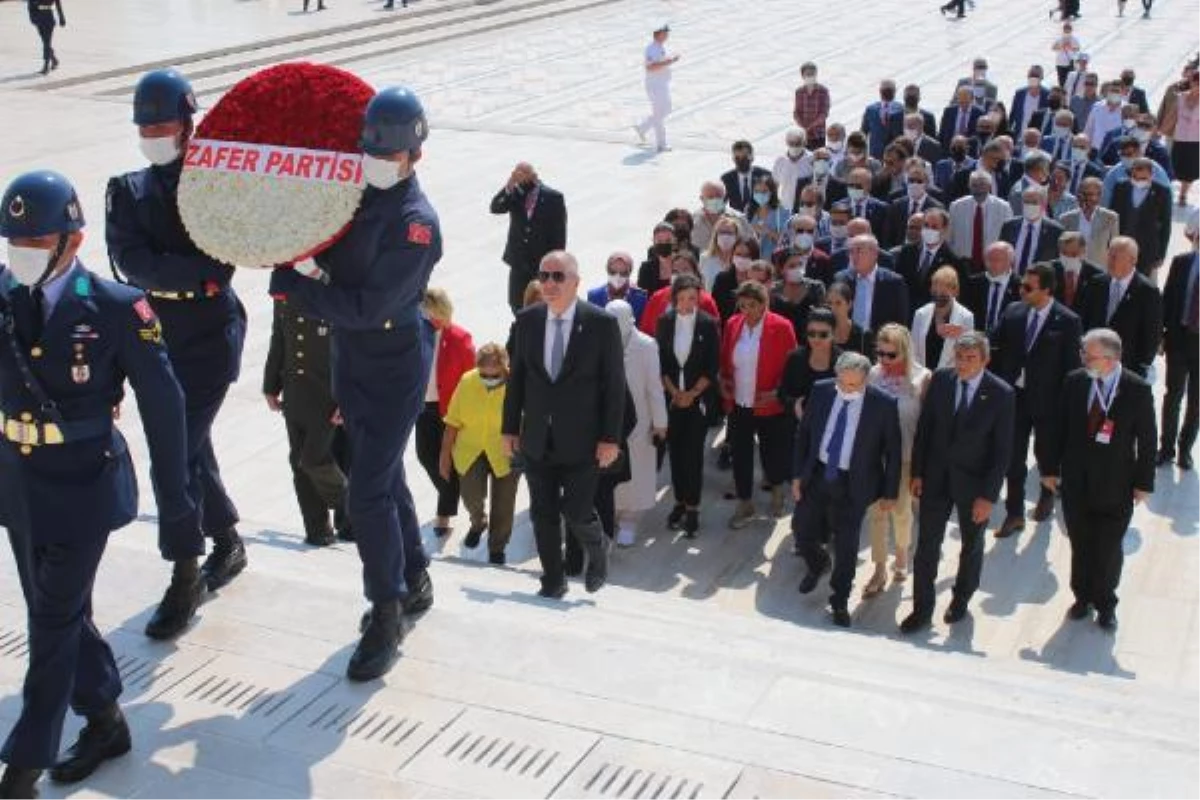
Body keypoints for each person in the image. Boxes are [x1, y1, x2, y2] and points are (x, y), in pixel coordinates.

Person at [0, 171, 197, 795]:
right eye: (12, 242)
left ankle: (24, 765)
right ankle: (108, 719)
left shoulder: (116, 307)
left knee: (52, 621)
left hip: (85, 484)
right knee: (54, 611)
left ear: (73, 239)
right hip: (18, 483)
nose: (20, 255)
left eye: (34, 243)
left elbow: (166, 411)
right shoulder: (4, 296)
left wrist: (178, 512)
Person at [268, 85, 440, 682]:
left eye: (385, 155)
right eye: (369, 151)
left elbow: (369, 305)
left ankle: (386, 609)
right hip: (352, 359)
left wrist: (302, 288)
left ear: (413, 156)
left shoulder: (417, 225)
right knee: (383, 472)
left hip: (393, 362)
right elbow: (329, 258)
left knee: (366, 489)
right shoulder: (358, 197)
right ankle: (414, 575)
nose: (373, 163)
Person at [106, 69, 248, 640]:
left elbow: (225, 261)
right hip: (157, 343)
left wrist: (185, 276)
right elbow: (129, 263)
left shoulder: (216, 187)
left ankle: (185, 575)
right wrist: (192, 277)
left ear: (189, 126)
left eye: (164, 124)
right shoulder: (128, 189)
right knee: (190, 450)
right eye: (147, 126)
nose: (154, 133)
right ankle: (229, 540)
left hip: (210, 340)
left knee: (175, 455)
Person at [502, 250, 625, 599]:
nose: (550, 284)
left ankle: (597, 545)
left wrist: (609, 439)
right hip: (538, 437)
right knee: (542, 513)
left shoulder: (601, 324)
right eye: (544, 276)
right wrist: (509, 429)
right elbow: (518, 380)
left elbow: (614, 387)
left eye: (558, 277)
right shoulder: (527, 321)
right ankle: (552, 580)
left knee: (575, 510)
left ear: (575, 282)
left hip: (584, 440)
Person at [901, 332, 1014, 633]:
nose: (963, 364)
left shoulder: (1001, 393)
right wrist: (918, 474)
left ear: (985, 360)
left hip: (974, 485)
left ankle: (961, 598)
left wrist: (988, 497)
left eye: (970, 359)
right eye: (959, 358)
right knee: (926, 545)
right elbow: (925, 429)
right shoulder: (941, 380)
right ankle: (922, 609)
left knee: (971, 544)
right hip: (936, 478)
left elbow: (1002, 451)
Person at [1044, 329, 1156, 630]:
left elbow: (1147, 441)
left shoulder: (1137, 389)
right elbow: (1057, 426)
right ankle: (1082, 597)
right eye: (1084, 354)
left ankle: (1106, 602)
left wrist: (1144, 483)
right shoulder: (1075, 381)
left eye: (1089, 355)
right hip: (1077, 481)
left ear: (1111, 359)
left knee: (1107, 549)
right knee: (1081, 543)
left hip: (1115, 484)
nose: (1083, 360)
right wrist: (1050, 468)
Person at [793, 352, 902, 628]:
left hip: (854, 484)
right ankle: (817, 564)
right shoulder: (821, 391)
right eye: (842, 383)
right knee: (801, 529)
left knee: (846, 545)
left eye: (853, 385)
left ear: (866, 380)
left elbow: (893, 451)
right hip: (818, 475)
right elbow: (804, 434)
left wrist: (890, 493)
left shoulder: (883, 405)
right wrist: (797, 475)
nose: (846, 389)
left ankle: (839, 599)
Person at [991, 262, 1082, 539]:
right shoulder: (1013, 312)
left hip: (1048, 403)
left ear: (1046, 289)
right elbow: (996, 346)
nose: (1021, 291)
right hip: (1015, 398)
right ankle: (1015, 513)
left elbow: (1071, 369)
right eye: (1021, 285)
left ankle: (1046, 495)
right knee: (1013, 458)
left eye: (1028, 287)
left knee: (1047, 456)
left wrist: (1066, 407)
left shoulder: (1068, 321)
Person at [263, 298, 349, 547]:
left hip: (327, 394)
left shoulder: (331, 288)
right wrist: (271, 385)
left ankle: (355, 507)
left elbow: (350, 348)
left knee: (313, 459)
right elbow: (279, 338)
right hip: (295, 390)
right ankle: (317, 529)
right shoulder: (286, 293)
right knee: (299, 463)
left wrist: (346, 397)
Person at [720, 280, 797, 527]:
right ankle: (745, 503)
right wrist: (724, 382)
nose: (747, 311)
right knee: (740, 453)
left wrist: (777, 393)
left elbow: (791, 366)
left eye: (752, 305)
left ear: (764, 304)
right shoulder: (733, 324)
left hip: (768, 405)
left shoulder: (782, 327)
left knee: (772, 452)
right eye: (742, 306)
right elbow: (725, 358)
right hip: (740, 403)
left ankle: (776, 490)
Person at [864, 324, 930, 595]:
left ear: (904, 351)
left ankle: (901, 553)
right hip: (875, 457)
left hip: (905, 456)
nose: (884, 360)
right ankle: (879, 568)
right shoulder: (873, 375)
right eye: (880, 353)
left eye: (891, 355)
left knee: (902, 511)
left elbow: (928, 425)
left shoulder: (923, 377)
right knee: (876, 514)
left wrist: (921, 468)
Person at [441, 344, 519, 565]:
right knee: (470, 495)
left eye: (494, 375)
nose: (488, 378)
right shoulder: (467, 381)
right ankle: (478, 522)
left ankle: (497, 547)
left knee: (504, 504)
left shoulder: (517, 383)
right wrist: (444, 455)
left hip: (506, 451)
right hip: (470, 449)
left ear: (504, 368)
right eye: (484, 374)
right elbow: (452, 422)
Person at [657, 274, 719, 537]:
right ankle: (679, 501)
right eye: (681, 298)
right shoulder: (665, 322)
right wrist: (674, 392)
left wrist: (691, 394)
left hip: (697, 399)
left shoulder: (708, 324)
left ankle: (693, 508)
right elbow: (660, 363)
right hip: (672, 399)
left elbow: (712, 367)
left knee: (693, 455)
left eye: (692, 298)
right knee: (676, 453)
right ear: (674, 299)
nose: (686, 303)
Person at [603, 300, 668, 546]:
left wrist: (660, 421)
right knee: (610, 471)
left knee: (637, 472)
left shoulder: (646, 345)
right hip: (609, 421)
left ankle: (630, 520)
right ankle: (612, 516)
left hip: (640, 420)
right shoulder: (599, 342)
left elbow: (654, 387)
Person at [415, 288, 474, 537]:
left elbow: (472, 376)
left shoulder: (459, 337)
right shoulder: (416, 334)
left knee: (446, 458)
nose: (427, 318)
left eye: (430, 313)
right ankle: (451, 494)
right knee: (425, 455)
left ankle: (444, 511)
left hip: (450, 409)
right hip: (421, 406)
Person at [1076, 237, 1163, 378]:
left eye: (1116, 257)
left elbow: (1151, 335)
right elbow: (1084, 321)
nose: (1110, 261)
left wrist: (1139, 368)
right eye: (1109, 255)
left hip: (1125, 369)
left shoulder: (1147, 292)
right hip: (1092, 364)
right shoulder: (1097, 283)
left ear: (1133, 260)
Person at [489, 162, 567, 315]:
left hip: (541, 265)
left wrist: (555, 265)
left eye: (522, 176)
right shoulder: (516, 193)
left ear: (533, 176)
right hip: (518, 262)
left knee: (541, 304)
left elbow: (560, 235)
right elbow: (496, 208)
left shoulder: (553, 197)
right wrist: (509, 185)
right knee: (515, 303)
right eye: (516, 176)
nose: (520, 180)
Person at [1157, 213, 1200, 469]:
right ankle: (1166, 448)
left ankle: (1186, 448)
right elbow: (1168, 297)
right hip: (1179, 338)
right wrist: (1161, 335)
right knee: (1173, 396)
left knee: (1196, 402)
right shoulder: (1182, 263)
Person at [1109, 158, 1173, 276]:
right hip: (1121, 246)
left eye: (1143, 178)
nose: (1138, 181)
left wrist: (1161, 254)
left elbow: (1166, 224)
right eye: (1135, 177)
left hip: (1146, 250)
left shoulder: (1162, 192)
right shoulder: (1121, 187)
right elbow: (1111, 217)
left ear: (1151, 174)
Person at [834, 234, 910, 331]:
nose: (854, 256)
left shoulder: (894, 282)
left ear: (875, 253)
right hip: (848, 341)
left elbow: (901, 321)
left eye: (859, 250)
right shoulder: (841, 279)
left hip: (880, 342)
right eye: (851, 252)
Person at [948, 171, 1013, 272]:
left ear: (989, 186)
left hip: (992, 262)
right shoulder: (956, 206)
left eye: (982, 184)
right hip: (963, 262)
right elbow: (949, 236)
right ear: (969, 186)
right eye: (974, 185)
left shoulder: (1003, 207)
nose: (978, 188)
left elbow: (1009, 238)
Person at [892, 209, 958, 307]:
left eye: (934, 227)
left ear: (944, 230)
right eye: (926, 225)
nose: (929, 230)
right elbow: (897, 284)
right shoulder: (907, 252)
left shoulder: (952, 260)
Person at [912, 267, 974, 369]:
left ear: (955, 291)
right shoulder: (920, 314)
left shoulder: (966, 317)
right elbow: (914, 351)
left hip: (950, 378)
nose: (938, 296)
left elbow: (968, 352)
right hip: (923, 377)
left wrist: (960, 335)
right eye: (935, 292)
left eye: (943, 294)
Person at [633, 22, 678, 153]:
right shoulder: (651, 49)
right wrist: (670, 61)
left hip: (661, 84)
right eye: (665, 33)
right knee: (660, 113)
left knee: (664, 110)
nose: (667, 35)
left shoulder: (660, 47)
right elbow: (650, 67)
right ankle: (661, 144)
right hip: (655, 86)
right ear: (658, 34)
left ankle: (642, 128)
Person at [999, 185, 1064, 273]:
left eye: (1034, 203)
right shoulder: (1009, 226)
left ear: (1043, 204)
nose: (1029, 206)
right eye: (1026, 202)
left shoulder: (1056, 231)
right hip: (1012, 281)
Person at [1160, 65, 1200, 205]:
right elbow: (1172, 116)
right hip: (1179, 138)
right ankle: (1170, 191)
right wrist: (1160, 131)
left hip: (1196, 142)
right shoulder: (1181, 97)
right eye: (1197, 83)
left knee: (1190, 171)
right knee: (1175, 167)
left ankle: (1183, 194)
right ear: (1192, 83)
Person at [963, 241, 1021, 335]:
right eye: (989, 259)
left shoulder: (1020, 286)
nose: (992, 263)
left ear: (1009, 262)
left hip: (1006, 340)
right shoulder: (973, 283)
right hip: (976, 338)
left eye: (997, 260)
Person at [1060, 178, 1118, 266]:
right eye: (1083, 194)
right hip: (1072, 267)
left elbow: (1114, 248)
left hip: (1098, 269)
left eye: (1090, 194)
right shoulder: (1066, 219)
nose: (1086, 198)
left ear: (1099, 196)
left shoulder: (1110, 218)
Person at [588, 251, 648, 322]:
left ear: (630, 272)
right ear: (607, 270)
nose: (617, 277)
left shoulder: (641, 297)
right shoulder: (594, 296)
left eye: (623, 273)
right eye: (613, 272)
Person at [1052, 230, 1103, 310]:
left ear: (1083, 251)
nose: (1069, 258)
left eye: (1074, 254)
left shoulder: (1096, 274)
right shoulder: (1049, 270)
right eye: (1064, 253)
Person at [745, 175, 790, 262]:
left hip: (774, 261)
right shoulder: (749, 210)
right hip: (753, 261)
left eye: (764, 191)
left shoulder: (782, 212)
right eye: (757, 191)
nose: (760, 194)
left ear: (772, 192)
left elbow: (787, 241)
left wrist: (768, 231)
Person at [825, 280, 876, 356]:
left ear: (849, 304)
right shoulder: (820, 332)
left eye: (838, 303)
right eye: (829, 303)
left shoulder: (863, 335)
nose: (833, 308)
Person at [722, 141, 772, 213]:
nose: (741, 160)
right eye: (737, 158)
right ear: (733, 159)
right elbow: (721, 205)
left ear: (752, 157)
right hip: (736, 220)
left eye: (745, 157)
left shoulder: (766, 175)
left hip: (761, 219)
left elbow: (773, 201)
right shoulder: (726, 179)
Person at [861, 80, 904, 160]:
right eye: (885, 90)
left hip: (896, 154)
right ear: (880, 92)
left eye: (889, 90)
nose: (886, 93)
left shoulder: (902, 109)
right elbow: (863, 132)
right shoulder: (871, 109)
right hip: (875, 154)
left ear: (894, 92)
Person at [793, 62, 830, 148]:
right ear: (802, 76)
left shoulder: (823, 91)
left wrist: (810, 126)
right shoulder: (799, 92)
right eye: (808, 74)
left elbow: (824, 113)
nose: (810, 76)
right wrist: (802, 125)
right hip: (803, 135)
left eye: (812, 74)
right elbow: (796, 112)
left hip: (818, 134)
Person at [27, 0, 65, 74]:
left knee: (47, 42)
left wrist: (61, 17)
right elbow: (30, 4)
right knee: (45, 42)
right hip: (38, 18)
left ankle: (46, 65)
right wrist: (32, 18)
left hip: (48, 17)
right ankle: (54, 60)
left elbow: (57, 3)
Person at [1051, 22, 1082, 87]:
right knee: (1061, 81)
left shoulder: (1074, 39)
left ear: (1071, 30)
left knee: (1070, 81)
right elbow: (1053, 47)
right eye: (1065, 29)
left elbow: (1078, 48)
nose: (1067, 30)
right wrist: (1061, 47)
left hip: (1069, 61)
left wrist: (1070, 47)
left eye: (1068, 29)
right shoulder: (1059, 38)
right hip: (1060, 62)